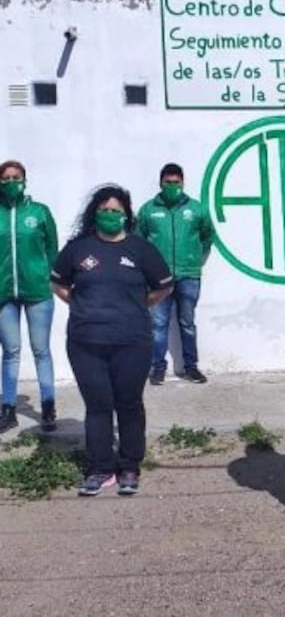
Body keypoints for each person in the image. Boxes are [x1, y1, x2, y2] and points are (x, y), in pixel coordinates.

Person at [50, 184, 173, 496]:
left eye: (115, 211)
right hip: (85, 343)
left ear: (126, 215)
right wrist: (83, 307)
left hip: (132, 342)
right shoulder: (78, 248)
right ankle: (100, 468)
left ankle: (130, 465)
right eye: (104, 210)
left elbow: (163, 287)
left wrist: (137, 304)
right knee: (98, 405)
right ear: (95, 213)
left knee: (129, 403)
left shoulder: (141, 249)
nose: (109, 215)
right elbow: (59, 285)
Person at [135, 163, 214, 385]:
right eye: (168, 182)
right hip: (158, 279)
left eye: (176, 182)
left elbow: (208, 237)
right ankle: (158, 368)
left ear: (183, 183)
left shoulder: (197, 209)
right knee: (158, 324)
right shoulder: (148, 210)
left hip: (188, 275)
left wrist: (196, 260)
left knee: (187, 323)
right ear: (160, 183)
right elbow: (138, 241)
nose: (172, 186)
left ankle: (191, 367)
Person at [0, 161, 59, 433]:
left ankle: (48, 406)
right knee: (10, 352)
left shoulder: (39, 212)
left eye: (16, 177)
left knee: (41, 350)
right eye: (6, 177)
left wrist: (49, 278)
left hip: (38, 292)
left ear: (25, 180)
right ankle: (8, 409)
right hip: (3, 293)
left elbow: (52, 248)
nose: (11, 181)